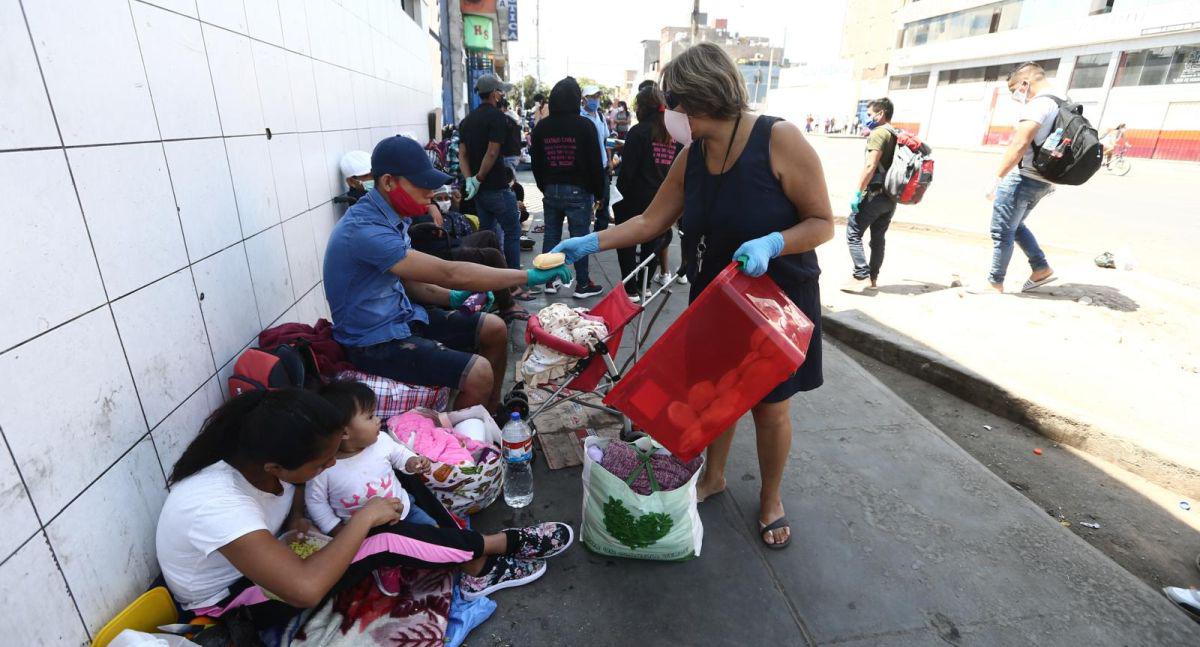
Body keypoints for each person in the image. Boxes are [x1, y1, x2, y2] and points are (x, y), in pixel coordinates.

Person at [552, 42, 834, 548]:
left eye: (674, 102)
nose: (669, 114)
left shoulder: (779, 139)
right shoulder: (693, 156)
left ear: (702, 99)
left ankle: (770, 497)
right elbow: (648, 221)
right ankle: (713, 476)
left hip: (776, 301)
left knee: (769, 406)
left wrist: (775, 242)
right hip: (716, 298)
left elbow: (822, 223)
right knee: (714, 398)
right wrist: (590, 241)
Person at [155, 390, 572, 628]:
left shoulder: (261, 457)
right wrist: (365, 517)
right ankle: (493, 550)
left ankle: (469, 555)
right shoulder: (215, 505)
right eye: (323, 463)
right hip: (232, 605)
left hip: (277, 555)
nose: (331, 465)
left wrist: (299, 513)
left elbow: (298, 485)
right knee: (379, 538)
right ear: (276, 467)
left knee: (400, 478)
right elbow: (304, 589)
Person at [323, 135, 571, 413]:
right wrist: (525, 276)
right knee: (478, 372)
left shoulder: (390, 216)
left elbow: (411, 284)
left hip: (402, 317)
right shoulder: (365, 231)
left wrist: (452, 298)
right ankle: (458, 445)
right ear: (389, 182)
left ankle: (491, 414)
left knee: (494, 328)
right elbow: (449, 272)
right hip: (374, 340)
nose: (431, 192)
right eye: (422, 184)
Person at [980, 61, 1059, 293]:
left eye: (1014, 89)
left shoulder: (1039, 104)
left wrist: (997, 178)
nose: (1015, 94)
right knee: (1016, 226)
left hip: (1023, 177)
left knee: (1001, 231)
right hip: (1043, 180)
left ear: (1025, 83)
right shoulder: (1061, 101)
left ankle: (994, 283)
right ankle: (1041, 268)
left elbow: (1020, 143)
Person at [406, 185, 532, 321]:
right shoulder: (406, 206)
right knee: (492, 255)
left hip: (448, 242)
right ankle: (507, 306)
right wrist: (429, 208)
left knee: (489, 236)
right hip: (435, 249)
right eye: (438, 198)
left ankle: (510, 288)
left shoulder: (440, 208)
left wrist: (442, 205)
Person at [530, 77, 606, 299]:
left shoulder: (542, 127)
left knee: (551, 236)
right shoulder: (585, 126)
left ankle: (549, 281)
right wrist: (599, 192)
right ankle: (582, 284)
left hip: (551, 190)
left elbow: (536, 161)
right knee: (580, 239)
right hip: (578, 191)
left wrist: (543, 185)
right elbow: (595, 162)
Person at [614, 86, 682, 300]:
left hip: (635, 198)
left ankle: (630, 288)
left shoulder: (639, 131)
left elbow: (627, 173)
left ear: (642, 107)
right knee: (652, 244)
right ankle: (645, 286)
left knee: (626, 242)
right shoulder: (674, 134)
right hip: (663, 201)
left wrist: (617, 199)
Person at [459, 74, 523, 270]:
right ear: (495, 94)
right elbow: (493, 151)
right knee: (512, 231)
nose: (501, 94)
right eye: (500, 91)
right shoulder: (497, 117)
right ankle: (514, 282)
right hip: (496, 187)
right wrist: (478, 178)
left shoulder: (467, 121)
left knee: (488, 235)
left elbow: (463, 155)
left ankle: (492, 279)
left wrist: (470, 180)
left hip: (479, 193)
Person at [843, 98, 898, 292]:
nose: (867, 118)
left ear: (880, 113)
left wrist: (858, 193)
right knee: (878, 238)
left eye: (869, 114)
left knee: (853, 232)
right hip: (891, 197)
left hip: (874, 194)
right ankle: (873, 279)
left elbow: (870, 165)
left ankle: (861, 275)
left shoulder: (879, 133)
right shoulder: (894, 133)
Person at [580, 84, 614, 233]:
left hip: (603, 165)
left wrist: (610, 159)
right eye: (592, 97)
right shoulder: (579, 116)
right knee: (586, 202)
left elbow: (607, 139)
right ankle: (583, 232)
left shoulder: (600, 116)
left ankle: (600, 233)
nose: (595, 100)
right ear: (584, 99)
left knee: (603, 201)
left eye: (597, 97)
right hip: (586, 168)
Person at [498, 98, 523, 174]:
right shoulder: (513, 117)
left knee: (509, 179)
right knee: (511, 177)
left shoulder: (504, 119)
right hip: (515, 152)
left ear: (503, 107)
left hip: (508, 153)